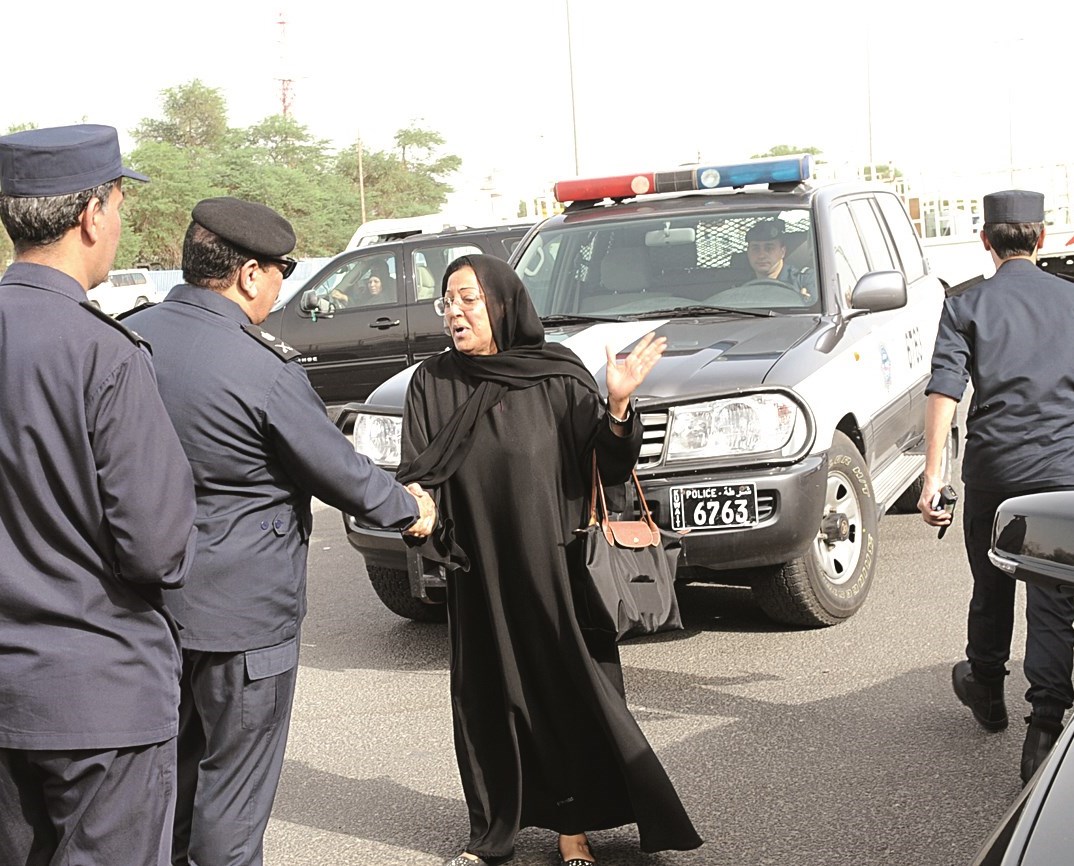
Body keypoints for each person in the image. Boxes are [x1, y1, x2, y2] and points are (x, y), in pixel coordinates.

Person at [124, 196, 437, 866]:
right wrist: (411, 510)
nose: (280, 287)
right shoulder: (259, 367)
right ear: (248, 276)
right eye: (281, 273)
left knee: (172, 782)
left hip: (150, 609)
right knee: (233, 802)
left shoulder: (133, 337)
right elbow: (338, 470)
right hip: (243, 620)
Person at [396, 254, 702, 866]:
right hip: (477, 564)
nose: (454, 312)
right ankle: (493, 833)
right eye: (447, 302)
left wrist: (617, 407)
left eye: (467, 300)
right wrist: (417, 513)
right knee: (486, 701)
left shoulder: (559, 375)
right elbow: (418, 471)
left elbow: (608, 471)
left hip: (555, 564)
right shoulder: (431, 382)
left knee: (567, 694)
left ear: (503, 304)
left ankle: (574, 827)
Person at [0, 125, 198, 864]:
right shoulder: (102, 351)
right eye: (119, 202)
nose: (119, 221)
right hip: (99, 699)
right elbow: (155, 546)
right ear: (91, 215)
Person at [919, 189, 1074, 785]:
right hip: (1064, 471)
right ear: (1042, 236)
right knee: (1055, 595)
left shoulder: (965, 304)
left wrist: (933, 477)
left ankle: (986, 688)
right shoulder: (1070, 299)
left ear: (985, 240)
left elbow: (944, 392)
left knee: (992, 580)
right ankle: (1045, 723)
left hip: (995, 472)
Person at [743, 218, 815, 299]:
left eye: (769, 248)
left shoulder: (805, 281)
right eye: (755, 248)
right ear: (748, 252)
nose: (761, 255)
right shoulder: (740, 285)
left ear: (782, 252)